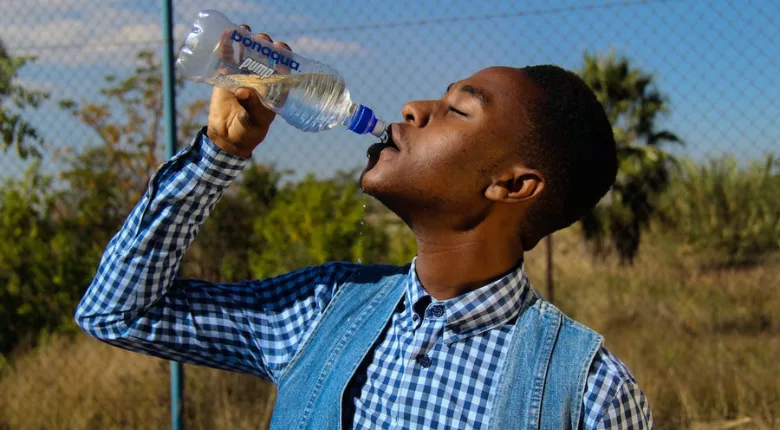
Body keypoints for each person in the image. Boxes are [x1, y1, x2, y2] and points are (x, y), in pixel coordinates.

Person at [75, 27, 653, 429]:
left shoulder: (589, 393)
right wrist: (219, 155)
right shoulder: (326, 309)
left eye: (458, 109)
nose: (412, 109)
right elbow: (117, 312)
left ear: (511, 185)